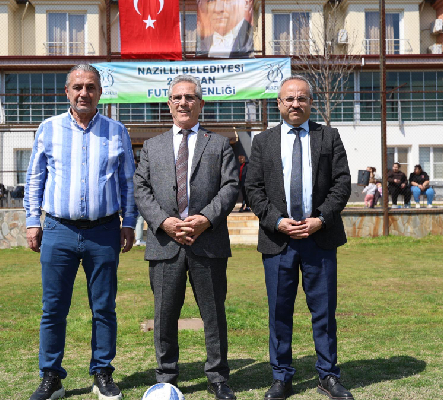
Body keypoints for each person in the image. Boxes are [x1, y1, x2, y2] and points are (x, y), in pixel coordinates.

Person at [24, 64, 137, 400]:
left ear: (100, 92)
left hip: (104, 232)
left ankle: (102, 373)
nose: (83, 93)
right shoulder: (48, 129)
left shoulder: (117, 131)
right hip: (58, 230)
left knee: (103, 308)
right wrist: (32, 221)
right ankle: (51, 377)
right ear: (67, 92)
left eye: (90, 87)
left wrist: (129, 222)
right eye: (77, 87)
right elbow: (35, 179)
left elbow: (128, 182)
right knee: (53, 308)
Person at [244, 75, 353, 400]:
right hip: (278, 241)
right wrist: (277, 221)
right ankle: (281, 377)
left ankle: (328, 375)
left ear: (311, 102)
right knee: (279, 312)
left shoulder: (328, 137)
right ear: (279, 103)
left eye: (301, 98)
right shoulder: (263, 141)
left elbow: (342, 183)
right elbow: (253, 188)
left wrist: (321, 219)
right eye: (289, 99)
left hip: (320, 238)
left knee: (324, 311)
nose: (295, 104)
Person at [134, 74, 239, 400]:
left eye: (190, 97)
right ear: (169, 104)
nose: (183, 103)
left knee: (213, 314)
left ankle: (218, 378)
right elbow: (141, 188)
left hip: (208, 243)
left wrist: (206, 219)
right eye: (177, 97)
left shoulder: (219, 144)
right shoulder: (151, 146)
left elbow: (231, 186)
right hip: (165, 244)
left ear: (200, 104)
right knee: (164, 315)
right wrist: (163, 221)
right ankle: (166, 378)